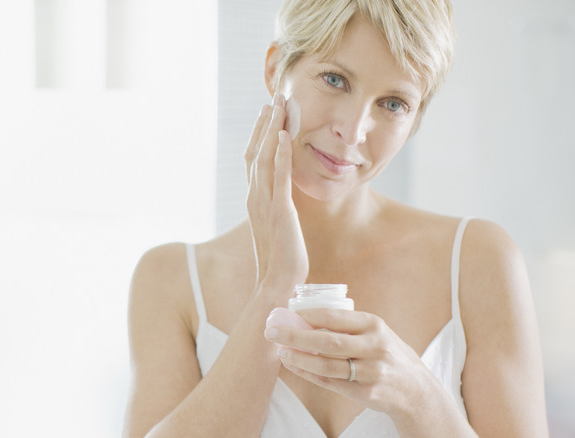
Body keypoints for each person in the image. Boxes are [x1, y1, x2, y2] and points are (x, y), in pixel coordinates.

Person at [122, 0, 549, 436]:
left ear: (415, 119)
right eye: (334, 79)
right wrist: (276, 286)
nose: (353, 129)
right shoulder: (170, 280)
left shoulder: (479, 260)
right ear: (275, 71)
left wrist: (416, 395)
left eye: (393, 103)